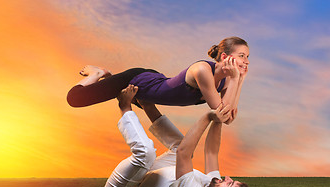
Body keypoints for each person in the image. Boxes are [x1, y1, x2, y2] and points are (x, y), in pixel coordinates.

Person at [104, 84, 254, 187]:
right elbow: (211, 152)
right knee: (177, 146)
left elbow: (184, 154)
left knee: (146, 152)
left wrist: (208, 117)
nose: (227, 178)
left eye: (229, 184)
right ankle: (147, 105)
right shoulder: (210, 184)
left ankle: (124, 106)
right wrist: (219, 119)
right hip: (145, 178)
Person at [67, 36, 250, 124]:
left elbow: (227, 119)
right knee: (75, 99)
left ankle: (109, 78)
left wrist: (239, 80)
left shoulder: (227, 82)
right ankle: (97, 74)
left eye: (247, 57)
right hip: (138, 80)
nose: (246, 61)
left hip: (154, 85)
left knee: (147, 106)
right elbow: (221, 111)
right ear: (225, 56)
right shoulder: (202, 70)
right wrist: (235, 79)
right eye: (242, 56)